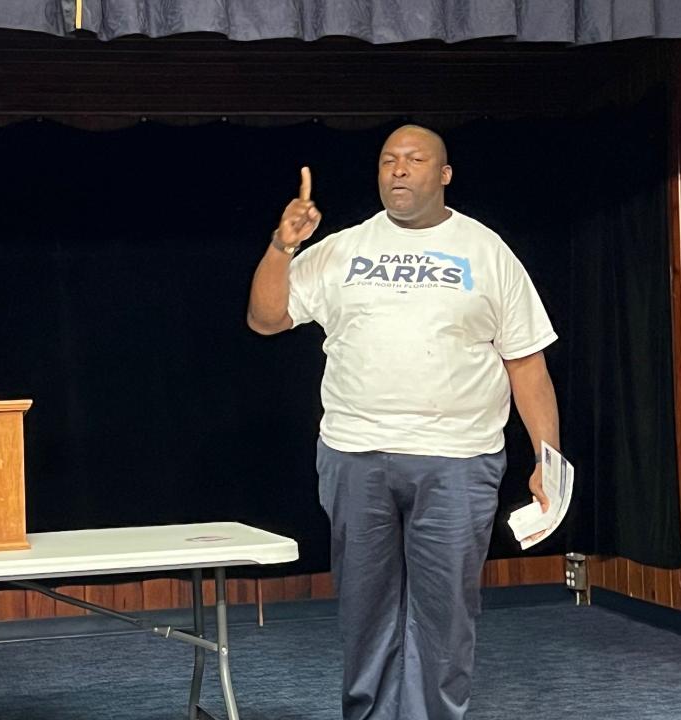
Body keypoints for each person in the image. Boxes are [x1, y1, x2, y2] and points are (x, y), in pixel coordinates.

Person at [246, 125, 560, 720]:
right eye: (389, 159)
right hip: (355, 454)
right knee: (365, 610)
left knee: (444, 613)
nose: (399, 169)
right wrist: (282, 246)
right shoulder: (342, 248)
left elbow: (527, 364)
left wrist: (549, 462)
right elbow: (266, 319)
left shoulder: (486, 250)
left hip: (459, 459)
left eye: (416, 160)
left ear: (443, 174)